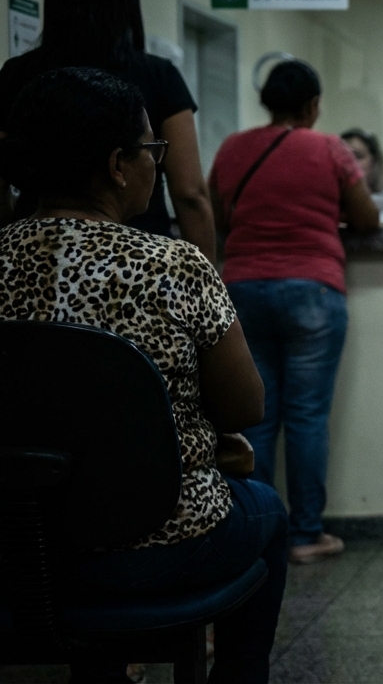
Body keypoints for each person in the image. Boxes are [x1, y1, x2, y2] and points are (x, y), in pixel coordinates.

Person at [0, 67, 286, 683]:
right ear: (117, 165)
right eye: (151, 150)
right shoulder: (174, 265)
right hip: (160, 541)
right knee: (267, 512)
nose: (158, 165)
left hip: (14, 546)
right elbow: (244, 407)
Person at [208, 59, 380, 565]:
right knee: (306, 418)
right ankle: (305, 535)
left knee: (254, 418)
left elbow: (220, 215)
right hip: (311, 290)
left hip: (240, 291)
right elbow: (367, 219)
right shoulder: (328, 148)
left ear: (266, 102)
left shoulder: (233, 148)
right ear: (312, 105)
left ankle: (257, 534)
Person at [0, 0, 216, 260]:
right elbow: (190, 193)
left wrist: (10, 239)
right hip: (143, 258)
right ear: (126, 1)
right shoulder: (158, 75)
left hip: (39, 253)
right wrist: (206, 280)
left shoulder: (18, 73)